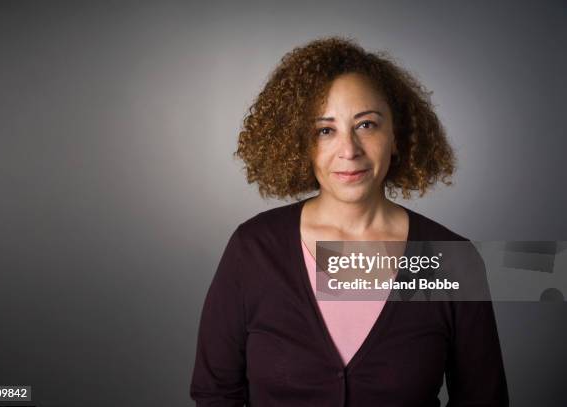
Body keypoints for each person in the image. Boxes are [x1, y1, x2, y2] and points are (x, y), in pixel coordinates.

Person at [190, 36, 509, 406]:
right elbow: (215, 394)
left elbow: (485, 399)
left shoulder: (452, 259)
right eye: (325, 130)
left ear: (396, 136)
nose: (349, 150)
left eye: (367, 125)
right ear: (299, 145)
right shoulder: (253, 249)